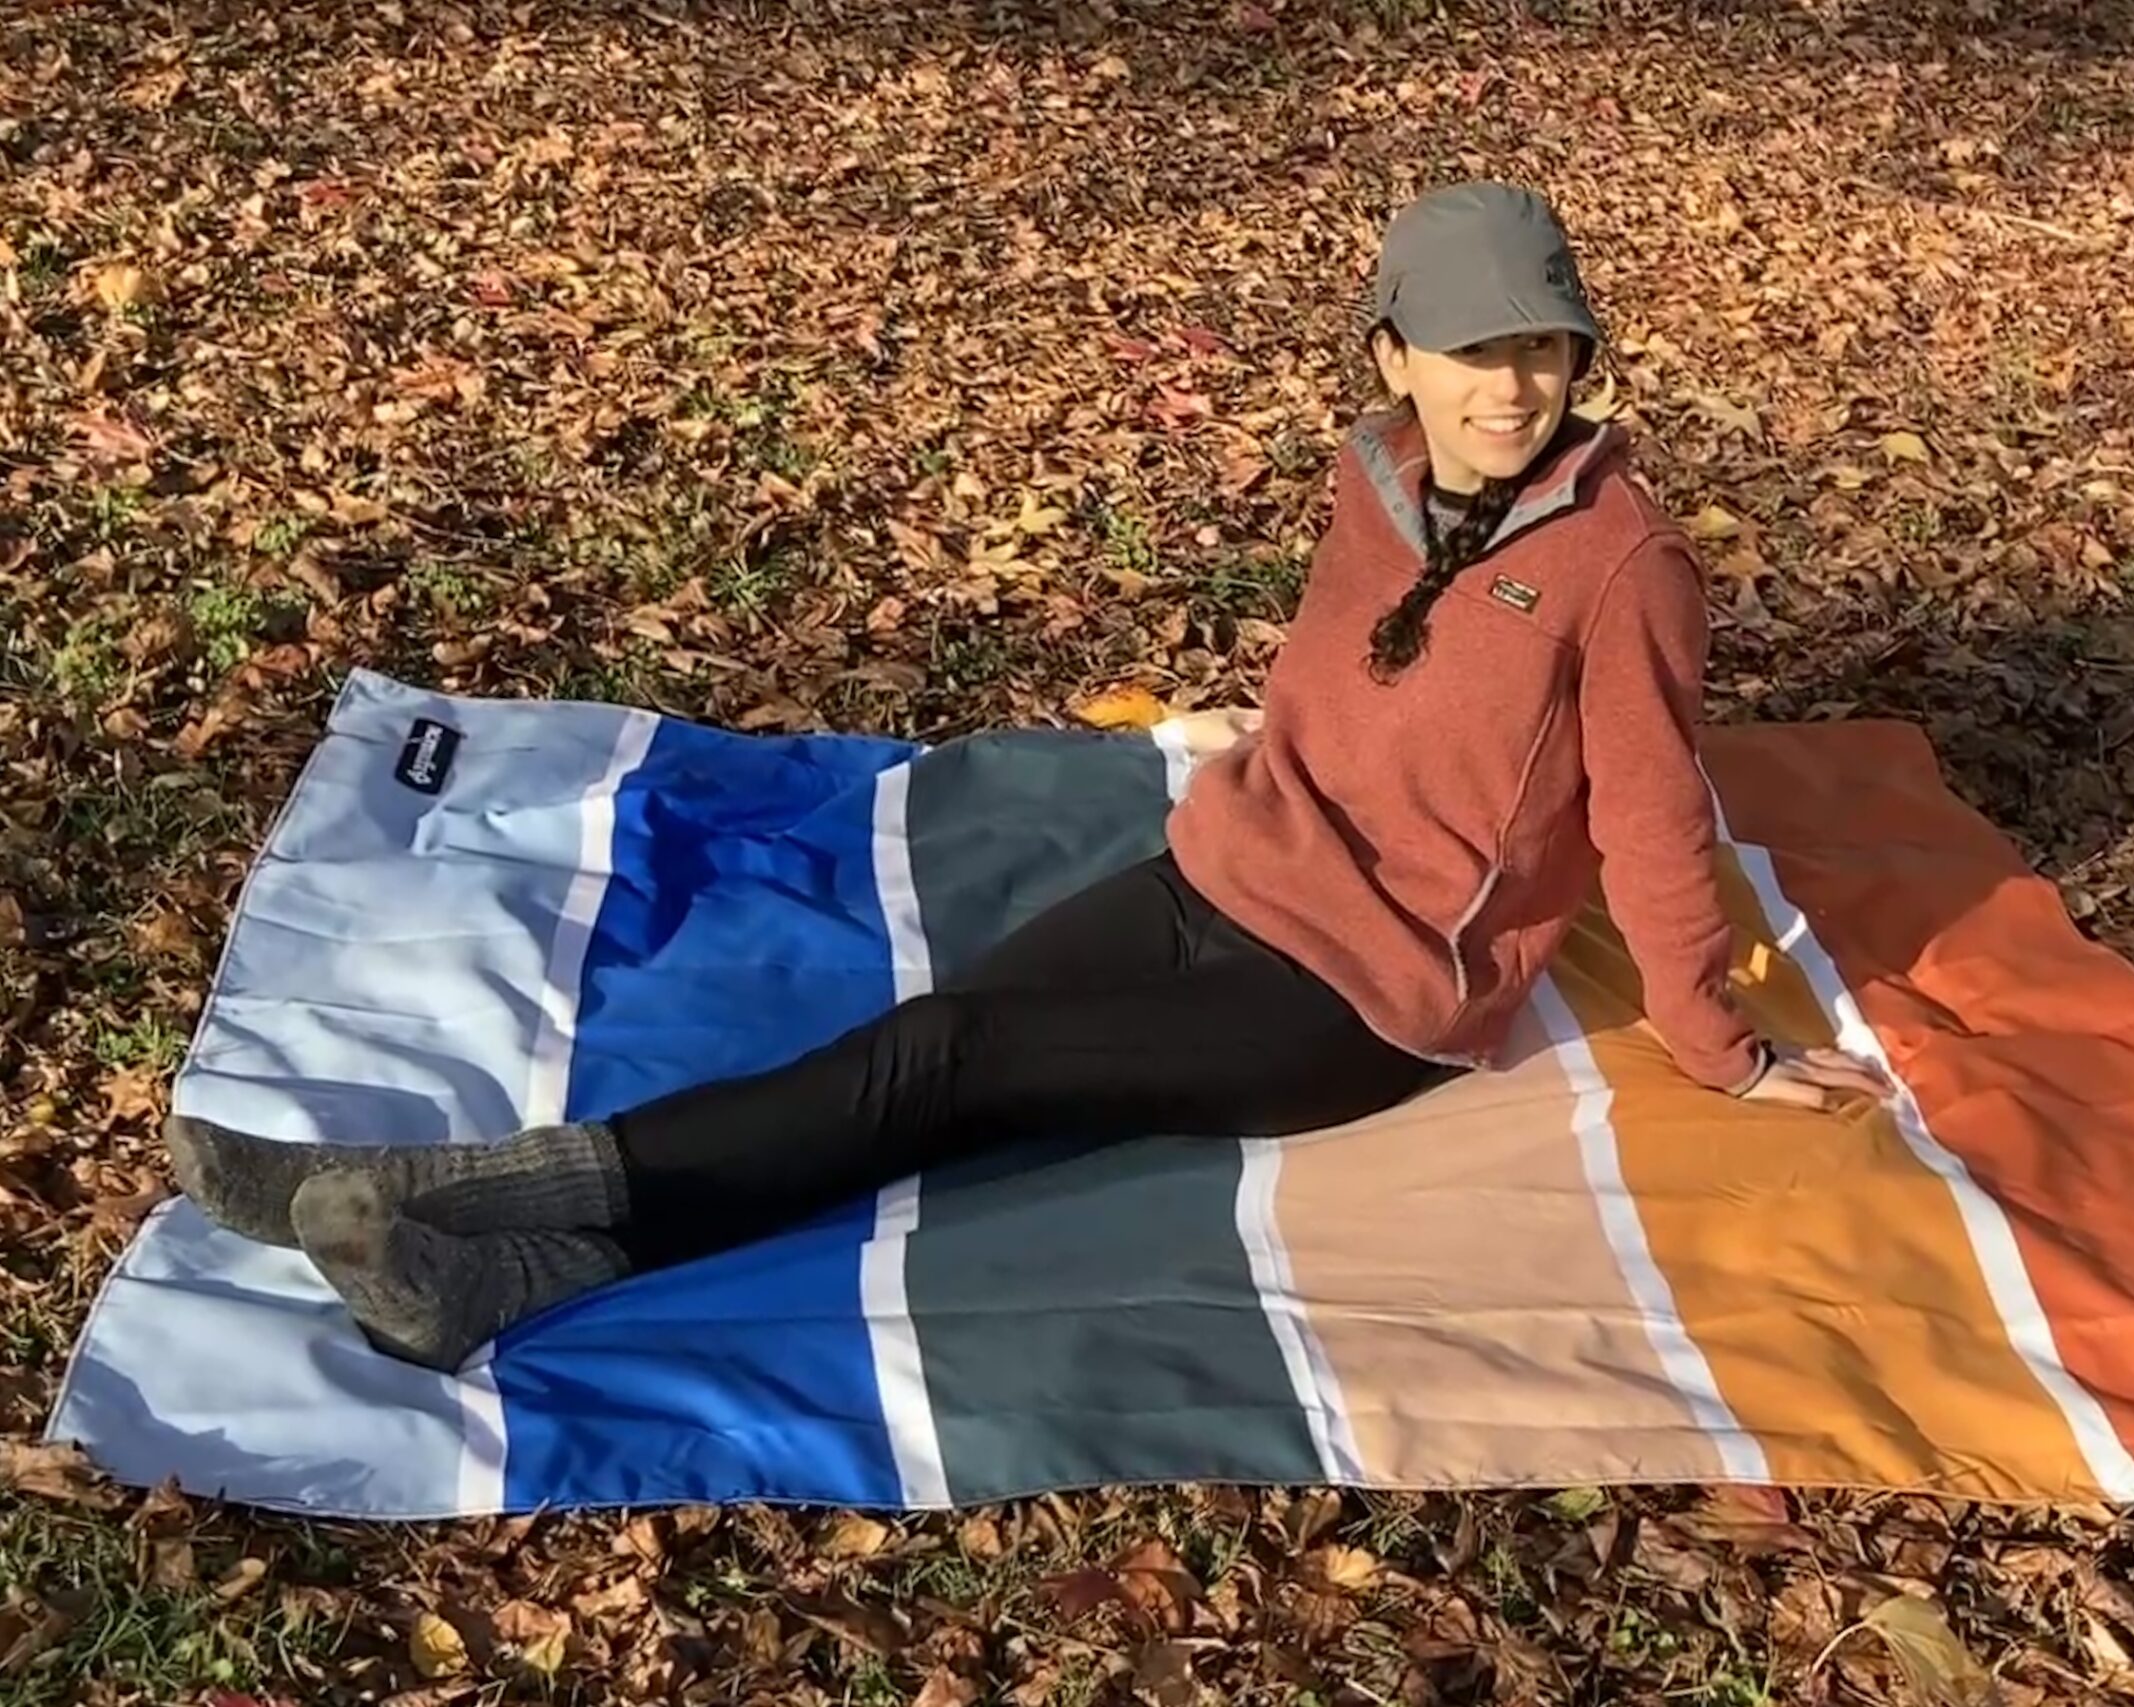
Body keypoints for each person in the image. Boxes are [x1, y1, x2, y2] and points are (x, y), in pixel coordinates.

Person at [165, 184, 1889, 1373]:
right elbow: (1355, 676)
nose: (1512, 383)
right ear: (1394, 356)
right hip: (1229, 872)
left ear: (1581, 359)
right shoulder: (1375, 481)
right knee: (898, 1070)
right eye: (1476, 348)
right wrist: (1263, 745)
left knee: (945, 1059)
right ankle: (486, 1268)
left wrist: (1715, 1042)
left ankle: (435, 1195)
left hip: (1364, 997)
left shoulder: (1625, 559)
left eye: (1543, 349)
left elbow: (1653, 808)